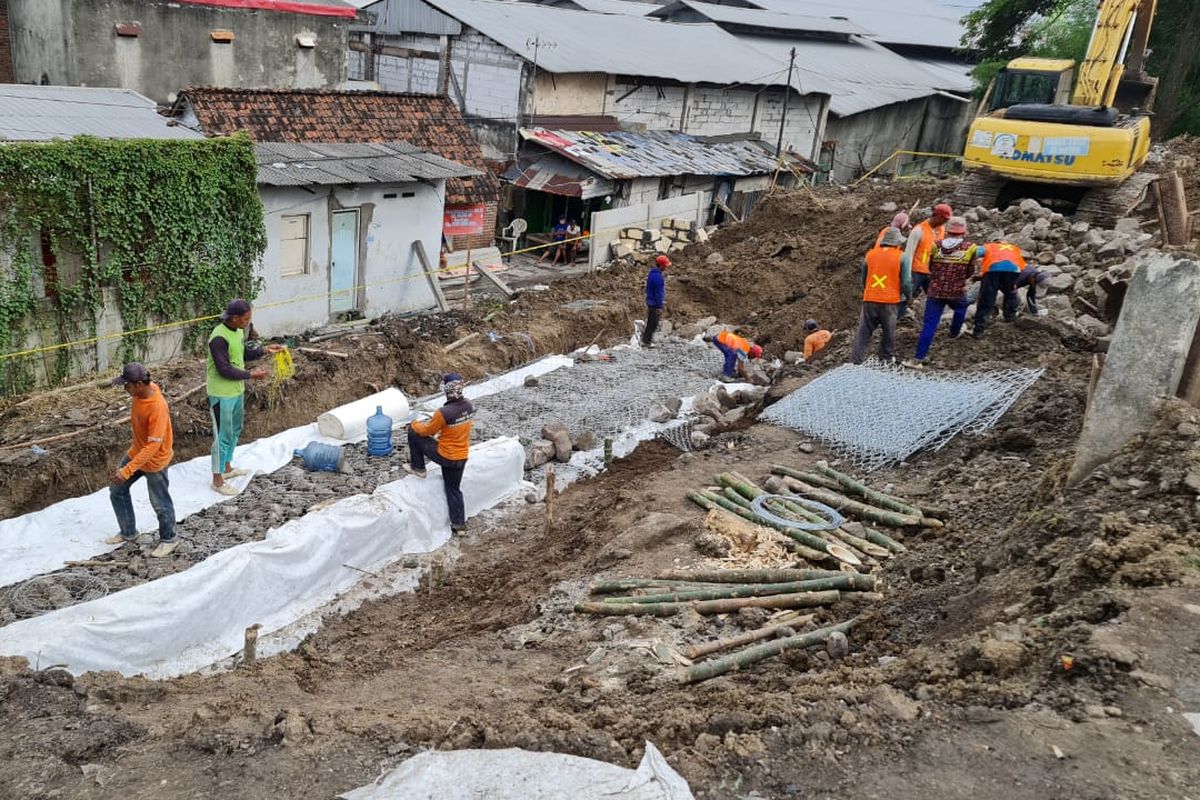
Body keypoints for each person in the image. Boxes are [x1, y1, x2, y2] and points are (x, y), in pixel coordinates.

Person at [207, 299, 283, 496]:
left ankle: (227, 468)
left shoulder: (238, 331)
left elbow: (242, 354)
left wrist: (265, 350)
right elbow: (224, 369)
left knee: (234, 429)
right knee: (221, 435)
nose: (248, 322)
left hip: (236, 390)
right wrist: (251, 375)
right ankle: (217, 479)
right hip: (221, 393)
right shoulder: (218, 338)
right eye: (246, 318)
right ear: (235, 318)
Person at [104, 363, 178, 558]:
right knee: (117, 490)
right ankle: (128, 532)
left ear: (138, 384)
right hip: (137, 452)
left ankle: (169, 538)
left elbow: (153, 446)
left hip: (155, 461)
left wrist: (127, 470)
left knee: (160, 503)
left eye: (126, 385)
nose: (124, 389)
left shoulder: (157, 407)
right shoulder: (143, 391)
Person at [905, 216, 979, 369]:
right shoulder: (971, 248)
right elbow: (970, 271)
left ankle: (917, 359)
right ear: (963, 231)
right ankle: (954, 331)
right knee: (961, 308)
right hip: (956, 290)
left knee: (929, 325)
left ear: (948, 231)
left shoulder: (936, 245)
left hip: (935, 291)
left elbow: (930, 266)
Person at [407, 373, 475, 533]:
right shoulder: (468, 406)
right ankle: (459, 525)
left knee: (413, 432)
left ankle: (418, 468)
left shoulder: (443, 412)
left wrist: (414, 423)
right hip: (462, 457)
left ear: (446, 390)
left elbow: (425, 431)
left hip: (446, 456)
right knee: (453, 489)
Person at [853, 226, 909, 364]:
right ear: (897, 243)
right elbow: (906, 281)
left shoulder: (870, 254)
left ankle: (856, 361)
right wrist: (909, 296)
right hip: (890, 301)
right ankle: (886, 360)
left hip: (870, 299)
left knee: (864, 332)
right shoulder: (901, 256)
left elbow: (864, 278)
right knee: (888, 333)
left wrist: (869, 291)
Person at [899, 203, 951, 318]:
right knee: (905, 297)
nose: (945, 222)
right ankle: (897, 317)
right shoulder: (918, 230)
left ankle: (933, 319)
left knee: (935, 297)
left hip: (932, 272)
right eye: (943, 219)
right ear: (936, 215)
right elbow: (909, 254)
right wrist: (906, 274)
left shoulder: (941, 230)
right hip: (916, 271)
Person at [972, 239, 1027, 338]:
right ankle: (1010, 318)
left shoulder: (989, 246)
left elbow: (975, 252)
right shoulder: (1014, 248)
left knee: (987, 299)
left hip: (992, 271)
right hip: (1013, 271)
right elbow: (1021, 264)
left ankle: (978, 330)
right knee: (1011, 294)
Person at [643, 255, 668, 347]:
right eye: (665, 265)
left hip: (650, 301)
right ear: (661, 265)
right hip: (654, 303)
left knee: (651, 322)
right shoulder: (658, 277)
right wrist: (660, 306)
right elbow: (658, 293)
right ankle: (646, 341)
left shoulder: (652, 273)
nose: (666, 267)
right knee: (653, 323)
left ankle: (646, 340)